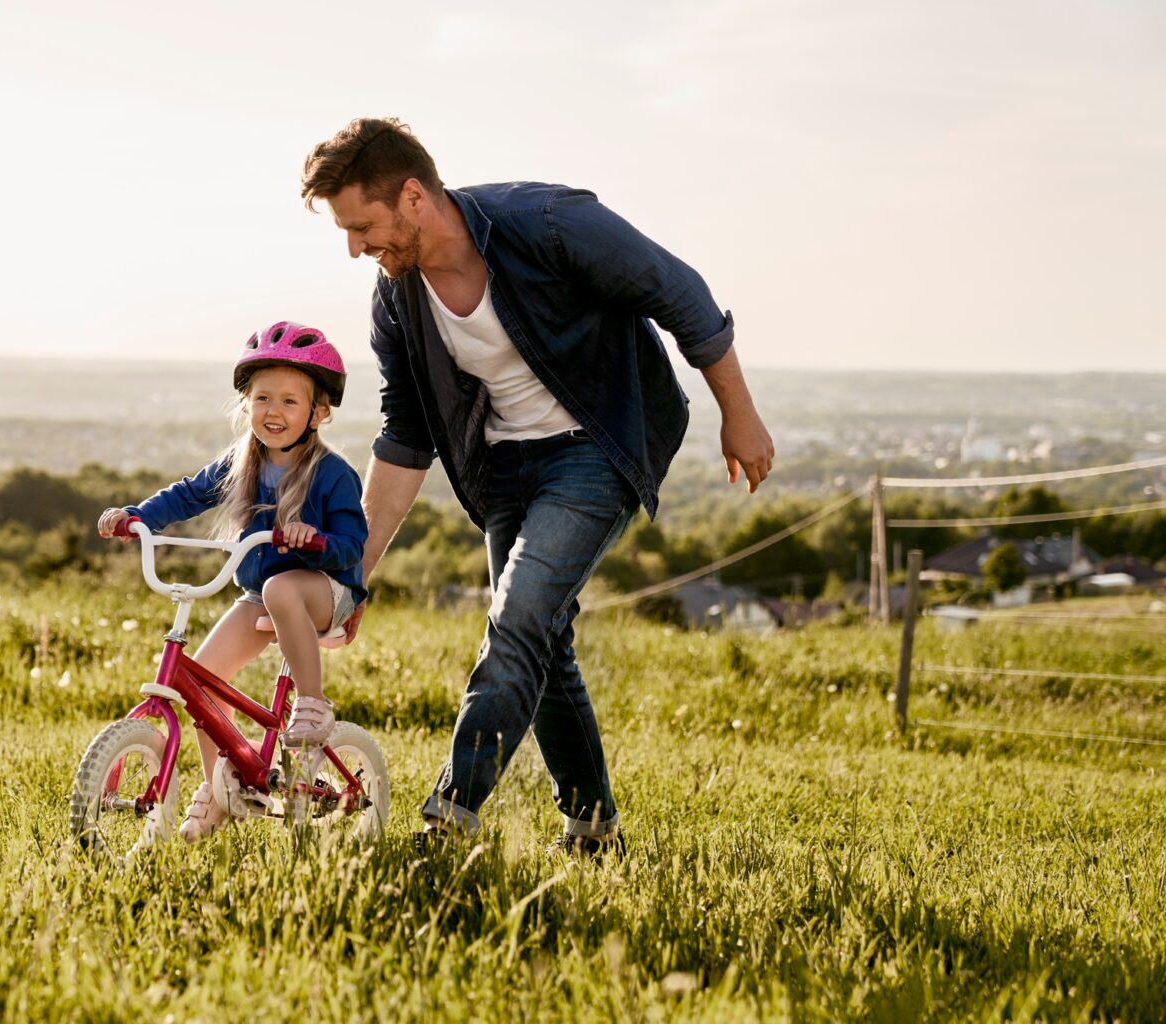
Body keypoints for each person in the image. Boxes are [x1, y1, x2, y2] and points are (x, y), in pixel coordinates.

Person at [300, 118, 774, 854]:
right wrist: (351, 576)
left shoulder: (549, 224)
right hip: (504, 468)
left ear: (414, 196)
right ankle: (592, 830)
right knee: (543, 641)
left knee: (518, 615)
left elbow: (678, 292)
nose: (356, 248)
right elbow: (407, 437)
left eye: (363, 226)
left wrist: (737, 413)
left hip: (599, 442)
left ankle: (450, 815)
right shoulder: (397, 300)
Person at [97, 321, 368, 843]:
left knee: (282, 588)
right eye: (263, 397)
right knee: (200, 685)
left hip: (323, 589)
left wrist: (314, 540)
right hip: (261, 593)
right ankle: (224, 788)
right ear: (246, 404)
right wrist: (140, 518)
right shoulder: (240, 462)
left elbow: (352, 544)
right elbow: (186, 495)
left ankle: (311, 706)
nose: (274, 411)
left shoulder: (333, 474)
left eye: (291, 401)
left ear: (319, 412)